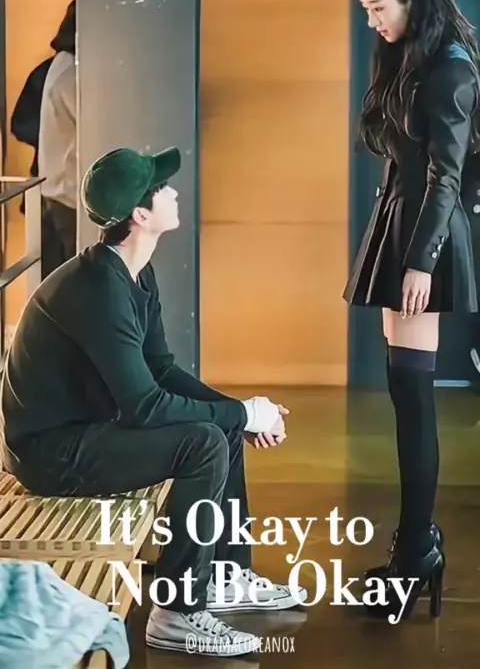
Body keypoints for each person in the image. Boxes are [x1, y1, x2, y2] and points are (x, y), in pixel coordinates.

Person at [0, 145, 307, 656]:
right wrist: (241, 413)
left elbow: (161, 369)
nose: (173, 192)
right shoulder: (99, 290)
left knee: (221, 429)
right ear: (140, 216)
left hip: (85, 429)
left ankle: (224, 577)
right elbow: (143, 406)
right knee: (203, 443)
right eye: (161, 188)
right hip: (49, 453)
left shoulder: (134, 271)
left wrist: (242, 414)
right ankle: (177, 614)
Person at [343, 0, 480, 621]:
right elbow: (389, 144)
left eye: (377, 8)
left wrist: (422, 259)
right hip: (398, 225)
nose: (372, 21)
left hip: (424, 237)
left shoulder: (452, 68)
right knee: (405, 394)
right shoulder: (410, 56)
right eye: (365, 10)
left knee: (415, 400)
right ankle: (414, 547)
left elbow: (447, 177)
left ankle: (417, 552)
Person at [37, 0, 77, 277]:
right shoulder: (72, 71)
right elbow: (96, 127)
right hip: (69, 195)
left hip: (59, 190)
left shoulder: (62, 63)